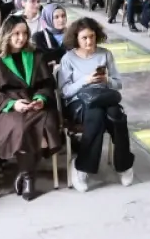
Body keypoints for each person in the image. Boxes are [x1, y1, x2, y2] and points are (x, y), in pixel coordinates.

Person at [0, 14, 64, 200]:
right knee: (21, 127)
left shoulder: (36, 55)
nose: (21, 38)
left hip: (34, 102)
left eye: (24, 33)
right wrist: (12, 104)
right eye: (16, 33)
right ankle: (29, 178)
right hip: (5, 107)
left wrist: (40, 99)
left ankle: (24, 174)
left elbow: (47, 83)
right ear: (6, 34)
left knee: (47, 124)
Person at [57, 18, 134, 193]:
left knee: (116, 115)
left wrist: (106, 79)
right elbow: (65, 91)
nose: (89, 41)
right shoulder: (68, 58)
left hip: (103, 97)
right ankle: (81, 166)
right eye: (84, 38)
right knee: (96, 115)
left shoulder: (105, 54)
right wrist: (85, 81)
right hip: (79, 101)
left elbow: (118, 83)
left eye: (91, 36)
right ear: (76, 39)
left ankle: (124, 164)